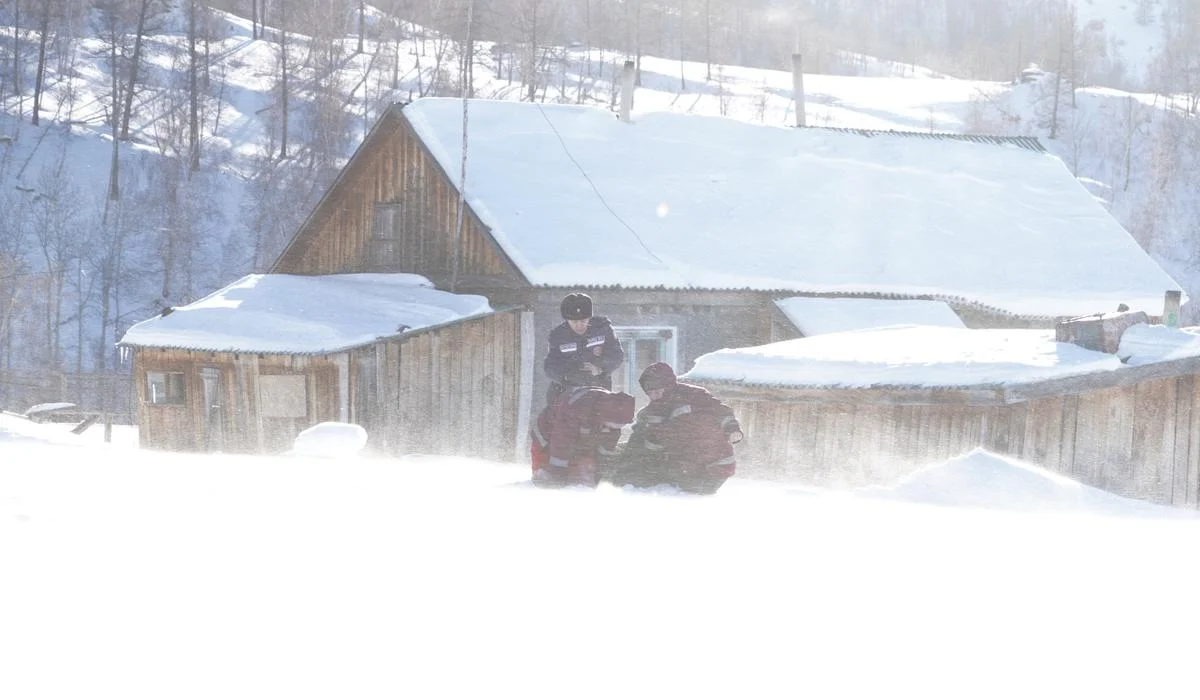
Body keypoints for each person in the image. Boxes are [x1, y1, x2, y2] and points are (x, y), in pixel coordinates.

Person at [609, 362, 744, 495]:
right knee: (624, 460)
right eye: (650, 392)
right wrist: (629, 460)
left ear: (668, 386)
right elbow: (640, 439)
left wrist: (733, 429)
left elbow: (721, 411)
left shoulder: (693, 396)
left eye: (658, 390)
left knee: (639, 475)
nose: (654, 395)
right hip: (686, 466)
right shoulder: (650, 412)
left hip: (704, 470)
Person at [530, 384, 635, 488]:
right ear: (605, 415)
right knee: (545, 478)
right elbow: (562, 440)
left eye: (622, 425)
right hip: (546, 436)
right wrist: (558, 470)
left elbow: (606, 449)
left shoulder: (615, 419)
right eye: (616, 424)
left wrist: (599, 471)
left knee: (580, 477)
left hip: (578, 443)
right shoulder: (579, 407)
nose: (618, 427)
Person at [542, 292, 624, 407]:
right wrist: (568, 375)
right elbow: (550, 366)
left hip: (598, 388)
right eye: (574, 322)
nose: (579, 325)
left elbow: (617, 355)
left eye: (583, 321)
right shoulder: (558, 336)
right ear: (567, 320)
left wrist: (600, 367)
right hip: (566, 391)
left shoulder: (602, 328)